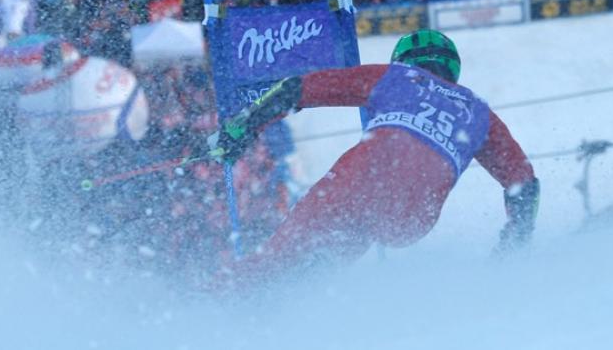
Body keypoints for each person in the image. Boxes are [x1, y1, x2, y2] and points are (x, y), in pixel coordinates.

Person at [208, 29, 539, 282]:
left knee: (277, 261)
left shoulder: (395, 76)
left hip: (360, 181)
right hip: (413, 217)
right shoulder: (479, 112)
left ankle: (221, 304)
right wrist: (512, 248)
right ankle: (302, 295)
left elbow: (297, 89)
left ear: (404, 61)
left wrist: (240, 129)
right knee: (329, 260)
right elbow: (525, 184)